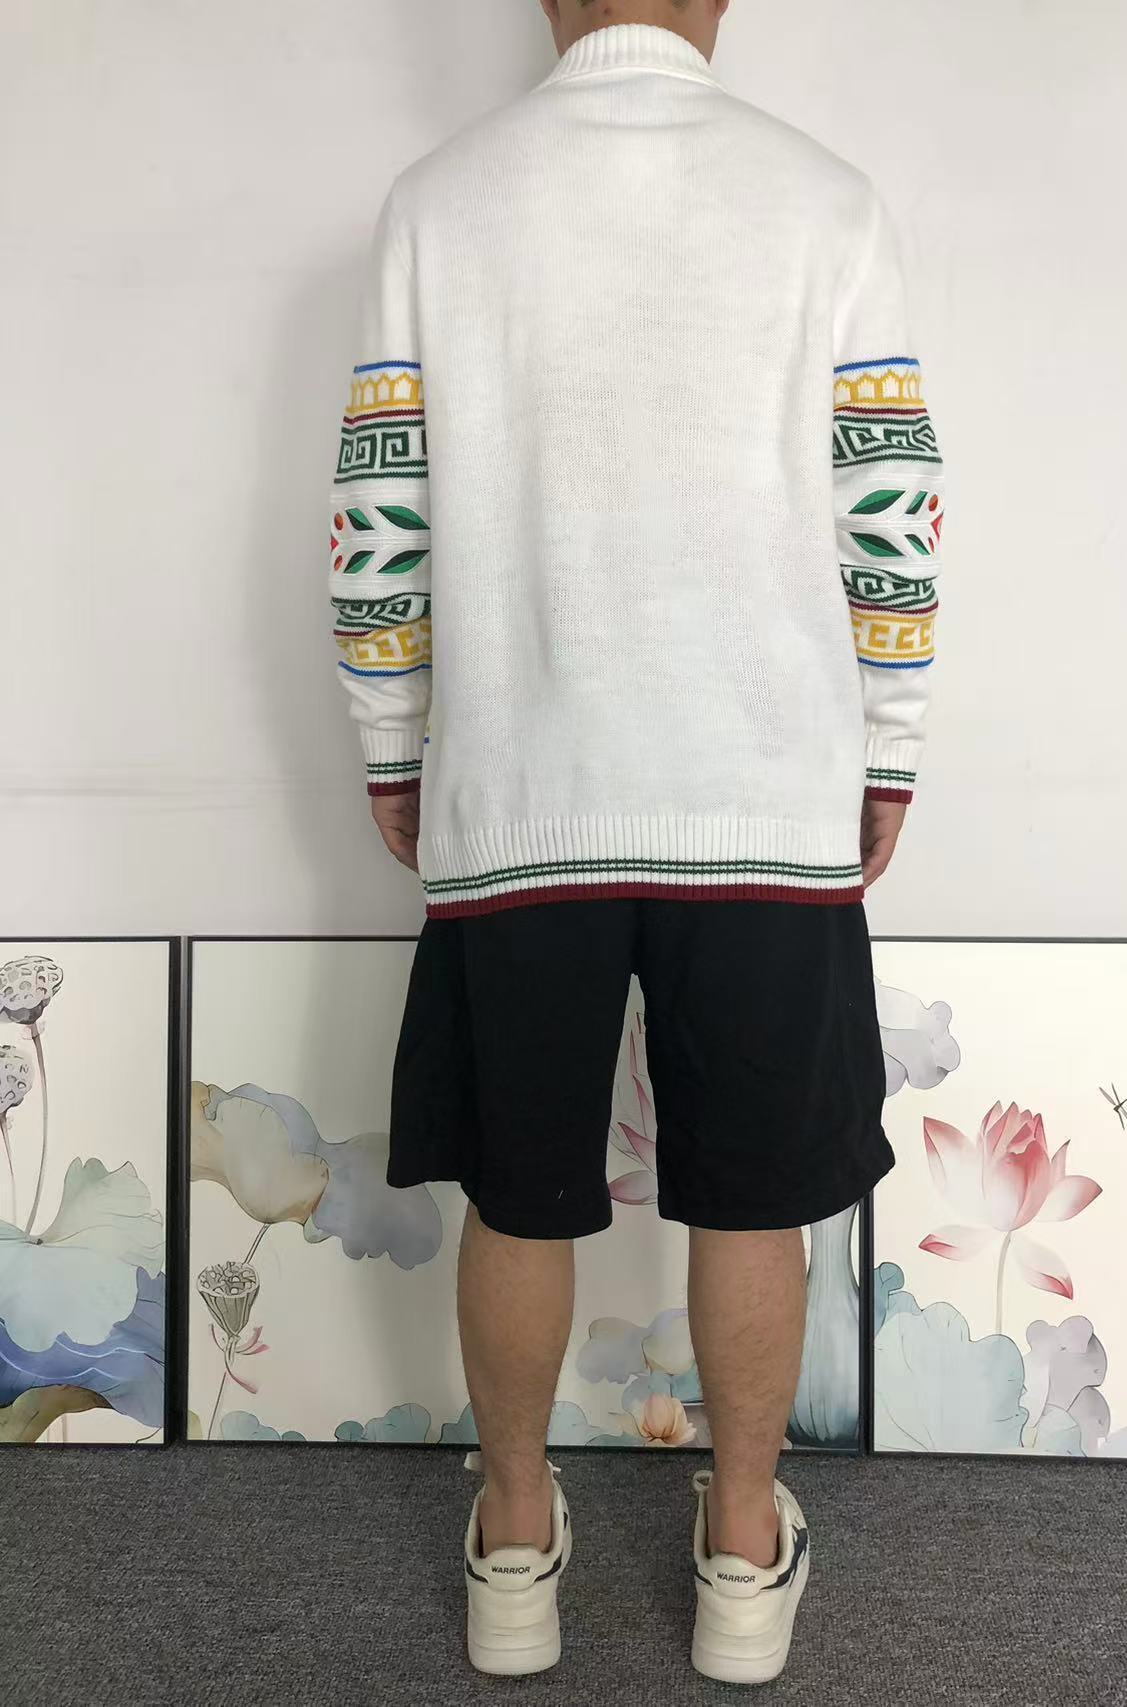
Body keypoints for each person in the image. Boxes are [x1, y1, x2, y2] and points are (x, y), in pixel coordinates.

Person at [326, 0, 944, 1683]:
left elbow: (379, 509)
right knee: (755, 1201)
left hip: (521, 785)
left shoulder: (441, 203)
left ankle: (515, 1546)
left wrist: (393, 740)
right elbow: (888, 507)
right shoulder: (825, 200)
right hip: (764, 795)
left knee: (519, 1193)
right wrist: (887, 746)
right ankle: (741, 1556)